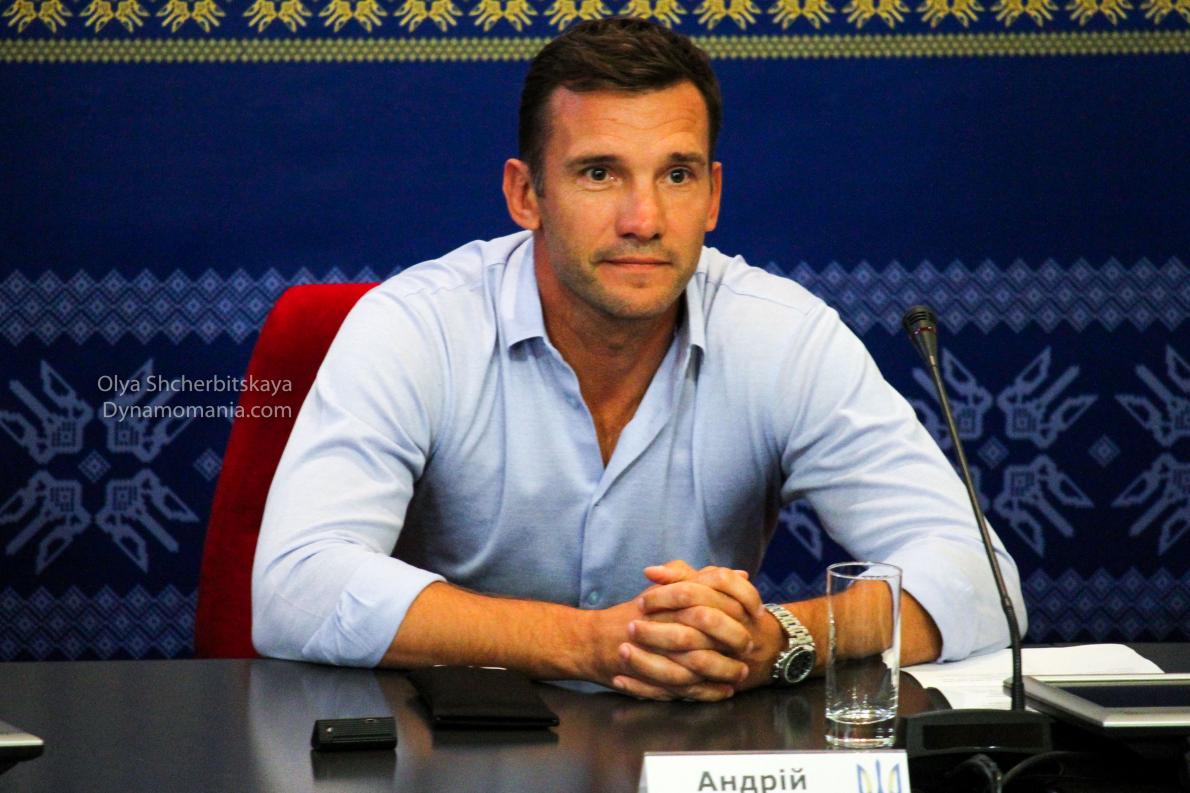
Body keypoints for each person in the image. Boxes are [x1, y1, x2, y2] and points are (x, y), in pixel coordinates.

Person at [252, 17, 1024, 702]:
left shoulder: (783, 337)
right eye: (600, 173)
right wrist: (590, 641)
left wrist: (779, 639)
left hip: (694, 755)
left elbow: (982, 579)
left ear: (712, 197)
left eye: (676, 175)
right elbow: (296, 586)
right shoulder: (416, 327)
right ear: (526, 195)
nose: (644, 219)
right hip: (450, 753)